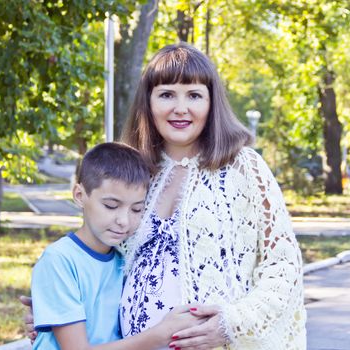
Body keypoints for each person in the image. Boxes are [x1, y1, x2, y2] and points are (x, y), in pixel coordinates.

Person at [24, 42, 306, 349]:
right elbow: (105, 262)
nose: (180, 108)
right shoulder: (137, 172)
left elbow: (284, 267)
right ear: (148, 102)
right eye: (167, 94)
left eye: (194, 95)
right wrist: (58, 311)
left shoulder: (243, 167)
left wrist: (232, 325)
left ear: (212, 104)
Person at [30, 142, 203, 350]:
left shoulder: (124, 260)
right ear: (79, 195)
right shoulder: (59, 260)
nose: (124, 221)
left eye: (137, 209)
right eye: (111, 206)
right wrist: (160, 335)